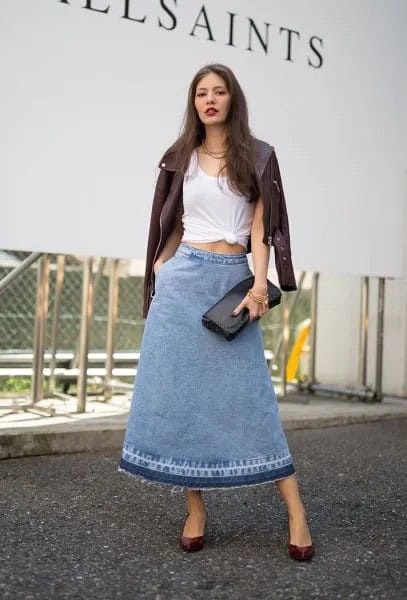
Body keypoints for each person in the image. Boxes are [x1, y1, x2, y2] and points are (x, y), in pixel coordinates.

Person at [119, 63, 314, 561]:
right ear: (194, 102)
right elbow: (175, 223)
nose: (209, 99)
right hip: (182, 282)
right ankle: (196, 510)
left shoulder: (259, 155)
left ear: (232, 98)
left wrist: (257, 288)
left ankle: (296, 512)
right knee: (182, 398)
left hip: (231, 282)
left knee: (252, 399)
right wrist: (163, 267)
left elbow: (261, 229)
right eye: (201, 92)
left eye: (218, 91)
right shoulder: (179, 157)